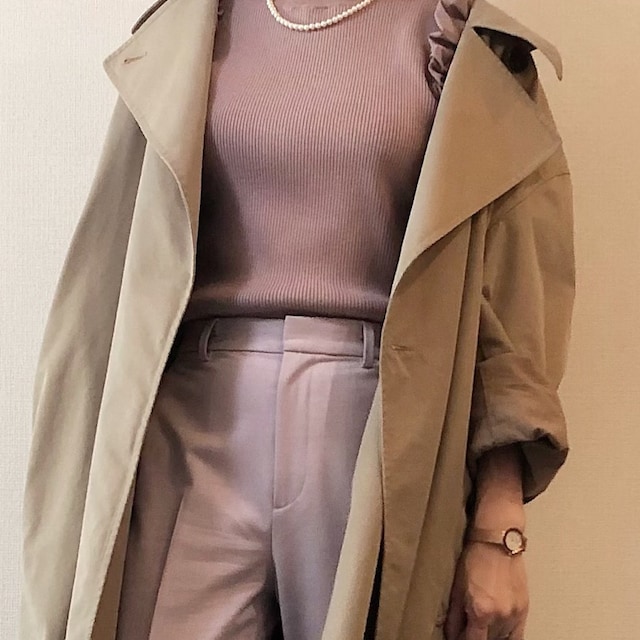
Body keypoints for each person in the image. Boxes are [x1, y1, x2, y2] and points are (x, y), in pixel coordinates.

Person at [19, 0, 575, 638]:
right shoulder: (191, 25)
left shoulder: (460, 38)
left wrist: (499, 528)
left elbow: (513, 312)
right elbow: (115, 275)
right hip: (193, 425)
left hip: (381, 431)